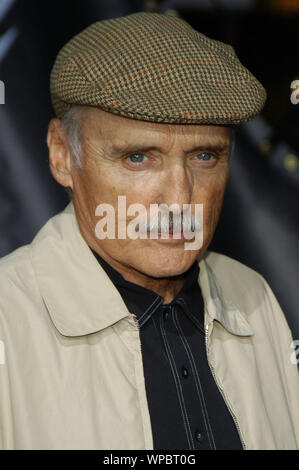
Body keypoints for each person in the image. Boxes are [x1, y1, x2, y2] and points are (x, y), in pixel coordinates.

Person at [0, 11, 298, 450]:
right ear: (62, 154)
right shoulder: (9, 321)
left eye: (205, 157)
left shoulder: (253, 298)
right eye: (138, 157)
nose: (179, 200)